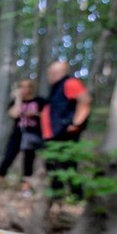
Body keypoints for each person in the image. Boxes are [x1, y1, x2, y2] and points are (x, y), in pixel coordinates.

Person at [41, 61, 92, 197]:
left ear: (60, 72)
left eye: (52, 72)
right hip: (53, 134)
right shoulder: (56, 87)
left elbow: (85, 101)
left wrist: (76, 123)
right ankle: (57, 194)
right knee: (52, 164)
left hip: (64, 134)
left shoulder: (70, 83)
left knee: (67, 165)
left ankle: (76, 195)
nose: (49, 75)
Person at [0, 80, 46, 190]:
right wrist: (18, 99)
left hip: (33, 134)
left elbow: (47, 115)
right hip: (18, 133)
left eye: (27, 87)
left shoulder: (40, 101)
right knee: (8, 157)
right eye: (22, 87)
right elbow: (13, 114)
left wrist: (35, 114)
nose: (25, 89)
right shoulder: (16, 101)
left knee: (29, 160)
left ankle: (26, 186)